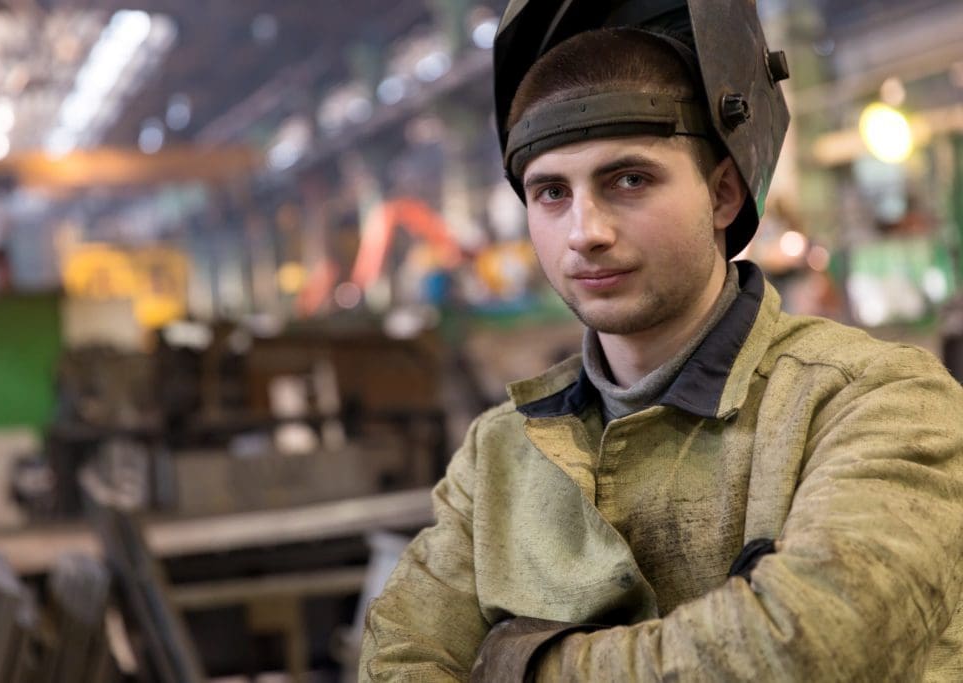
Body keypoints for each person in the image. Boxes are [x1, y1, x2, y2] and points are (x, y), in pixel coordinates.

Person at [359, 1, 963, 680]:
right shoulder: (499, 455)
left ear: (724, 194)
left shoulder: (875, 403)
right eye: (551, 192)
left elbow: (807, 645)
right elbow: (400, 658)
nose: (585, 230)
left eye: (629, 179)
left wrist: (518, 663)